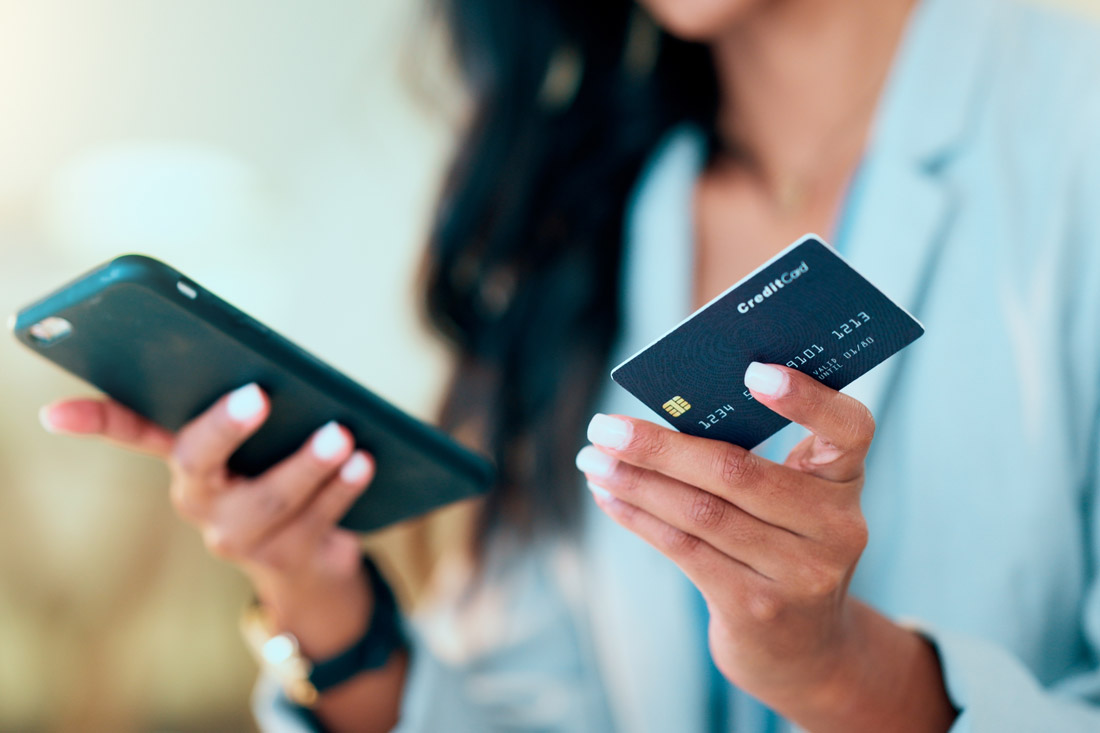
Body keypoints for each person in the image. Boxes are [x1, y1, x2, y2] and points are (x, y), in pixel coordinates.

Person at [37, 0, 1100, 730]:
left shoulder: (1067, 136)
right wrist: (321, 602)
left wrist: (838, 674)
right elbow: (530, 704)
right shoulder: (584, 220)